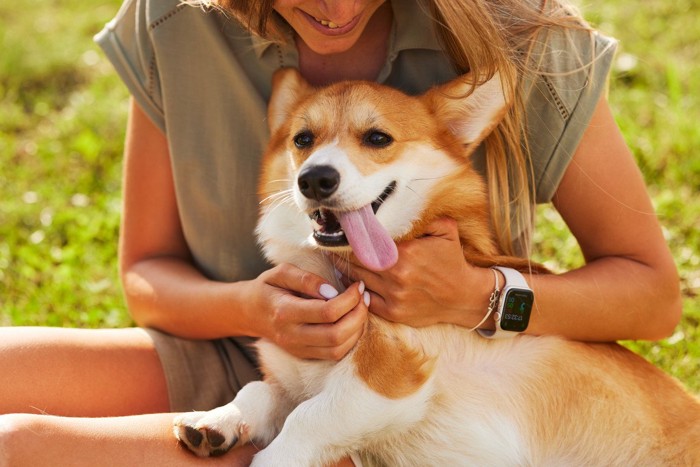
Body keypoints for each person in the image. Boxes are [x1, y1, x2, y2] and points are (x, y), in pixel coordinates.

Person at [0, 0, 682, 464]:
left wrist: (477, 293)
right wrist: (257, 307)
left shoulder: (525, 32)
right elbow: (147, 272)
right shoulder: (176, 18)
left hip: (404, 401)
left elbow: (653, 296)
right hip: (255, 354)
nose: (333, 7)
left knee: (19, 444)